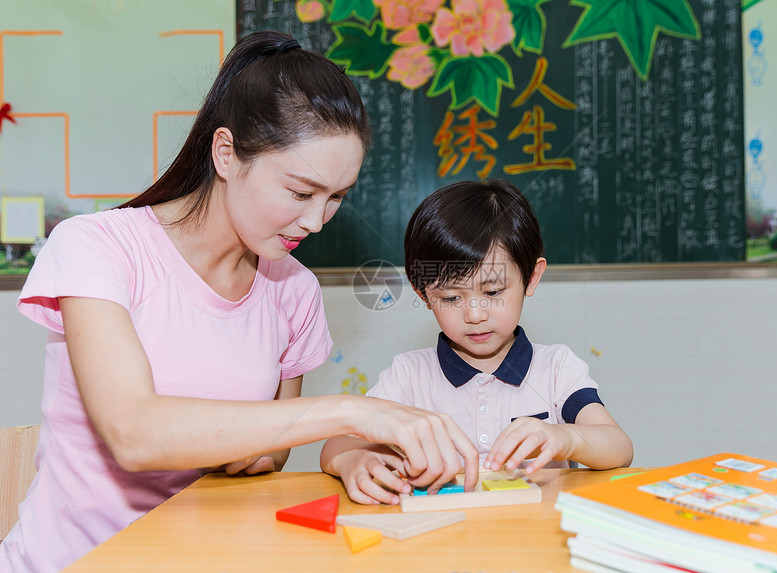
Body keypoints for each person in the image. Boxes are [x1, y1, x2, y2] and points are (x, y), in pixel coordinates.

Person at [0, 31, 477, 573]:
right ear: (226, 153)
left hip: (210, 556)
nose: (316, 221)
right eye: (301, 192)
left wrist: (337, 458)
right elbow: (133, 435)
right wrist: (353, 412)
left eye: (337, 197)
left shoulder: (293, 290)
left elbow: (270, 455)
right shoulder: (96, 247)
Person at [320, 179, 634, 505]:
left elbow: (619, 447)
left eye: (493, 292)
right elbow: (336, 444)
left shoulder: (556, 368)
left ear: (531, 277)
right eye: (452, 297)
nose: (474, 314)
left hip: (537, 540)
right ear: (424, 294)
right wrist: (352, 459)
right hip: (443, 541)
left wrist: (566, 437)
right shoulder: (409, 376)